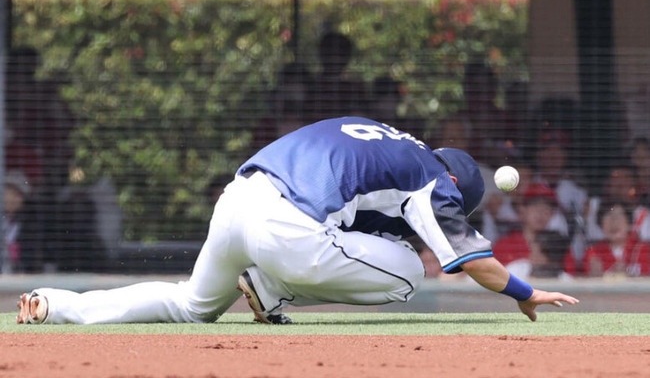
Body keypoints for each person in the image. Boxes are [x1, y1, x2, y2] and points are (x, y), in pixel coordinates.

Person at [17, 117, 578, 325]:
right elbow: (474, 263)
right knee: (413, 271)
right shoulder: (434, 178)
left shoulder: (383, 136)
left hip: (237, 198)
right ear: (456, 184)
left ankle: (55, 304)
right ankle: (267, 286)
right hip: (288, 230)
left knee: (189, 304)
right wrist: (525, 292)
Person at [492, 184, 571, 277]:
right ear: (522, 210)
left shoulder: (558, 247)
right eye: (535, 206)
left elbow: (572, 282)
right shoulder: (504, 245)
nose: (540, 213)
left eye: (547, 208)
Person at [567, 199, 650, 277]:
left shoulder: (644, 250)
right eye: (608, 216)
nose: (614, 222)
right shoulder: (593, 254)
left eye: (619, 216)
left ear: (629, 224)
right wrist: (593, 277)